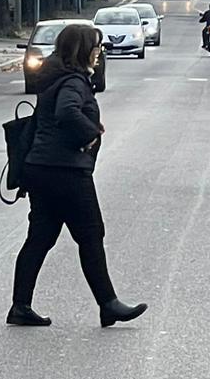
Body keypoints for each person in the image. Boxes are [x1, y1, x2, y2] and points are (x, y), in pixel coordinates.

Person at [9, 23, 148, 329]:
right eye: (96, 47)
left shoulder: (54, 77)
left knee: (40, 237)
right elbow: (67, 113)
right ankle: (108, 304)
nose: (99, 54)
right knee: (90, 234)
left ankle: (20, 306)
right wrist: (92, 132)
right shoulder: (72, 82)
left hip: (41, 168)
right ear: (83, 50)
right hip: (66, 171)